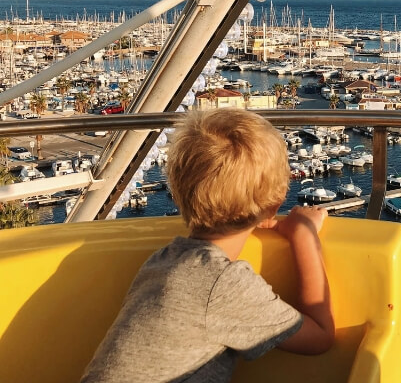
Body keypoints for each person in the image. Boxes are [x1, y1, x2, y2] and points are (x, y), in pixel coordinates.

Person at [81, 108, 334, 382]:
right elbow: (319, 337)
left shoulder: (163, 260)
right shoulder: (223, 284)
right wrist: (304, 235)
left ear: (178, 192)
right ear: (273, 205)